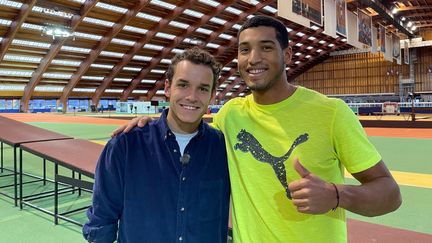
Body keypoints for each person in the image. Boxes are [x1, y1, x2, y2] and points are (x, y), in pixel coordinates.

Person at [113, 16, 402, 243]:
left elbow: (390, 193)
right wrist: (148, 125)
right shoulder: (231, 114)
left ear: (287, 56)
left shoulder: (331, 113)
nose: (254, 58)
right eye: (244, 50)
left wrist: (338, 195)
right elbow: (186, 123)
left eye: (266, 47)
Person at [83, 47, 230, 243]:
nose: (192, 96)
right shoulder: (125, 145)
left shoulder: (223, 148)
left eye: (203, 88)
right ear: (168, 87)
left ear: (212, 96)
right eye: (183, 85)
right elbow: (102, 222)